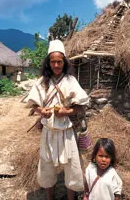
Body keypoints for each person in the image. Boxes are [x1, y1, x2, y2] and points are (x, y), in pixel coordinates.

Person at [25, 40, 91, 200]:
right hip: (48, 131)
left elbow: (81, 106)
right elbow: (33, 104)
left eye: (59, 62)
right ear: (48, 63)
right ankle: (50, 197)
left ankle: (71, 197)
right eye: (53, 62)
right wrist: (42, 111)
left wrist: (66, 111)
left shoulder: (71, 81)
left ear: (64, 62)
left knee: (72, 166)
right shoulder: (41, 82)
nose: (56, 65)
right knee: (47, 165)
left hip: (67, 132)